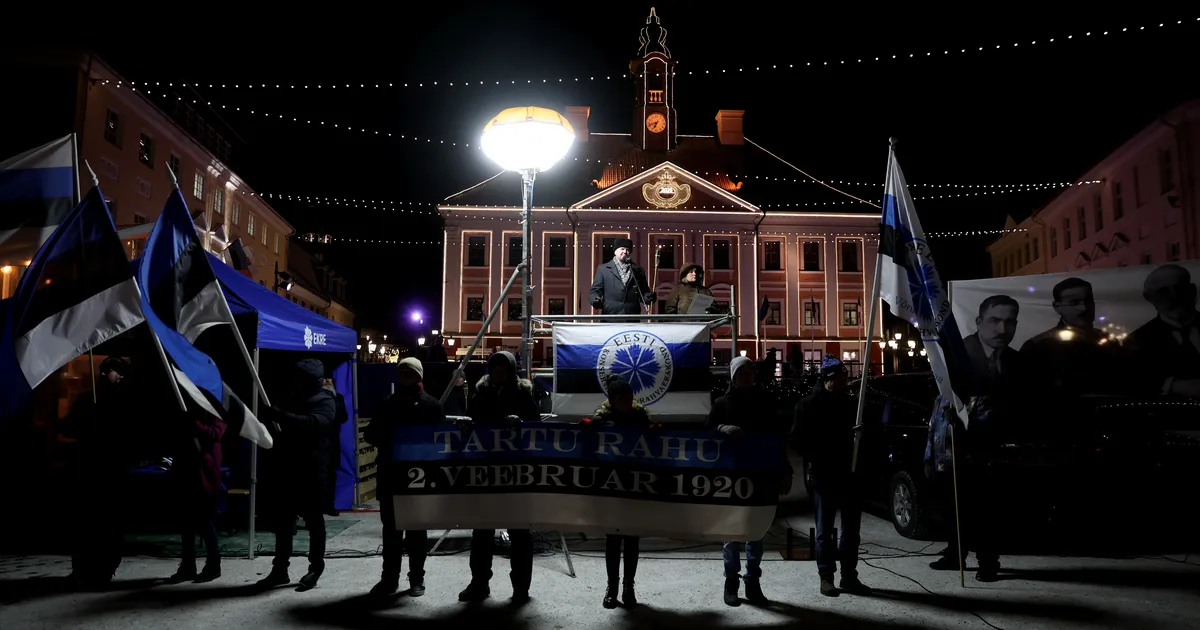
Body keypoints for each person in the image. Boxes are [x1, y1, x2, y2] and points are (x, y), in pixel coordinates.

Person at [707, 356, 793, 606]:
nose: (746, 378)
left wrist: (784, 468)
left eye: (749, 373)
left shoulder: (765, 402)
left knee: (756, 531)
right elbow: (706, 433)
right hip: (732, 476)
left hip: (760, 476)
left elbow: (777, 437)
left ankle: (753, 581)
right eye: (741, 374)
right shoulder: (722, 404)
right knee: (731, 531)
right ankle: (731, 581)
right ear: (733, 378)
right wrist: (721, 428)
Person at [457, 351, 542, 603]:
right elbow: (472, 422)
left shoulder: (523, 395)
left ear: (511, 371)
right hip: (486, 473)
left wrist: (521, 424)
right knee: (482, 532)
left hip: (517, 474)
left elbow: (536, 428)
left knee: (520, 532)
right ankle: (479, 583)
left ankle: (521, 588)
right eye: (495, 369)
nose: (499, 373)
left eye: (503, 369)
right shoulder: (480, 395)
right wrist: (465, 424)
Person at [363, 358, 445, 597]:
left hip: (419, 478)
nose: (406, 377)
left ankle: (417, 578)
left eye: (410, 373)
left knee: (417, 531)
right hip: (391, 476)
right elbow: (370, 435)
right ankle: (389, 579)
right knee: (391, 531)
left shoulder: (432, 406)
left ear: (419, 375)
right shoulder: (388, 404)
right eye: (402, 373)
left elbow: (439, 443)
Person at [257, 358, 338, 591]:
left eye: (302, 377)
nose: (296, 380)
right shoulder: (290, 397)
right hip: (288, 467)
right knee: (283, 522)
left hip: (312, 469)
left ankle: (315, 568)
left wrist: (283, 416)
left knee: (314, 521)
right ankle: (279, 570)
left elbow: (316, 423)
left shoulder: (325, 400)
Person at [793, 355, 871, 597]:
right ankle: (826, 576)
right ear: (827, 380)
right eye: (838, 379)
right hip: (824, 476)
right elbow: (797, 441)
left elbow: (868, 437)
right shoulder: (808, 406)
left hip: (850, 475)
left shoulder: (852, 405)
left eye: (845, 379)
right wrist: (818, 455)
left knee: (851, 531)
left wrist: (862, 434)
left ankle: (849, 575)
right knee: (824, 531)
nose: (843, 383)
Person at [581, 374, 654, 609]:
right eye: (622, 398)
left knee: (632, 540)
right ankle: (612, 587)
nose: (626, 402)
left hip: (634, 486)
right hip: (611, 487)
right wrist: (588, 430)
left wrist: (656, 433)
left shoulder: (640, 418)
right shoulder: (601, 419)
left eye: (629, 397)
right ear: (612, 400)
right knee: (613, 541)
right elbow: (589, 450)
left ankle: (628, 587)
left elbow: (655, 447)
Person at [65, 356, 136, 586]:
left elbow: (131, 434)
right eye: (103, 370)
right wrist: (87, 423)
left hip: (113, 471)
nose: (104, 374)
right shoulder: (88, 399)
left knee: (110, 523)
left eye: (110, 370)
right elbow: (67, 427)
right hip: (89, 469)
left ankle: (105, 569)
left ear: (121, 374)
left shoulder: (125, 400)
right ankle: (81, 569)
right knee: (85, 522)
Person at [923, 395, 1001, 582]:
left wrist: (961, 418)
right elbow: (932, 429)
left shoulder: (979, 398)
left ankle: (988, 564)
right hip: (946, 466)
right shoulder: (941, 399)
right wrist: (928, 459)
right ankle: (954, 557)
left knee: (980, 519)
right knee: (953, 516)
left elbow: (986, 429)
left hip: (972, 467)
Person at [166, 408, 226, 583]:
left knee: (203, 519)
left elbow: (215, 434)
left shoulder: (213, 410)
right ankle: (188, 566)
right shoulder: (186, 408)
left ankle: (214, 564)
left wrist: (195, 424)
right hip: (185, 469)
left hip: (204, 473)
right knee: (186, 522)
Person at [1124, 264, 1200, 398]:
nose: (1174, 296)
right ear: (1149, 298)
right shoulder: (1136, 341)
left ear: (1193, 290)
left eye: (1179, 288)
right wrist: (1170, 385)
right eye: (1163, 292)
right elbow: (1132, 382)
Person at [589, 237, 656, 315]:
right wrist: (595, 300)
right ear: (615, 251)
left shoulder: (638, 270)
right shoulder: (603, 269)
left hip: (632, 315)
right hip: (610, 315)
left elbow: (644, 292)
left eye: (628, 250)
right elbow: (595, 291)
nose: (625, 252)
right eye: (622, 249)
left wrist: (649, 297)